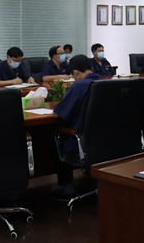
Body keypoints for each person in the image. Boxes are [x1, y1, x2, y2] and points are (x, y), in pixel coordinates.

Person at [51, 55, 102, 196]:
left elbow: (57, 114)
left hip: (81, 142)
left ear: (75, 72)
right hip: (103, 141)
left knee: (52, 137)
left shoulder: (79, 86)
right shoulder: (103, 83)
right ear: (91, 68)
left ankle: (66, 187)